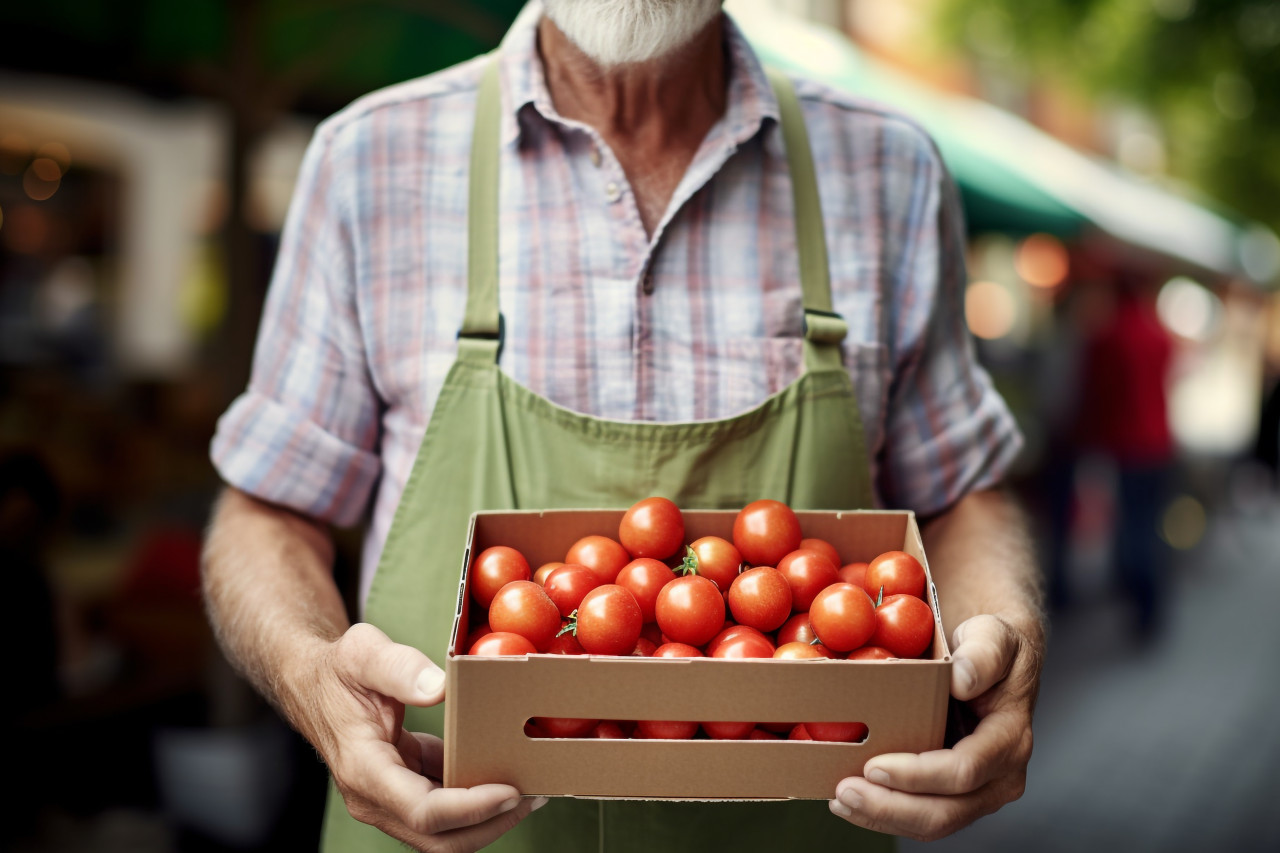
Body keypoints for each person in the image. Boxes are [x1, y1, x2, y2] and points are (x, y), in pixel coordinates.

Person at [202, 1, 1045, 850]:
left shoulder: (887, 170)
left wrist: (1006, 634)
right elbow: (268, 509)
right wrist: (314, 679)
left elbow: (961, 493)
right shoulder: (369, 159)